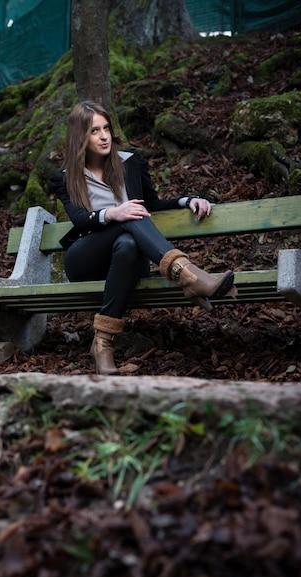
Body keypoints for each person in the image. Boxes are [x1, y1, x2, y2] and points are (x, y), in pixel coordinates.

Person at [51, 100, 236, 375]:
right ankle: (187, 275)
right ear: (80, 137)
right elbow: (79, 219)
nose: (104, 136)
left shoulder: (130, 163)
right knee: (129, 218)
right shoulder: (66, 178)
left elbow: (152, 204)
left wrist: (188, 200)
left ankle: (102, 344)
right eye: (94, 131)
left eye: (106, 129)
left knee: (128, 236)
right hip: (86, 258)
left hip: (126, 259)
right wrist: (114, 213)